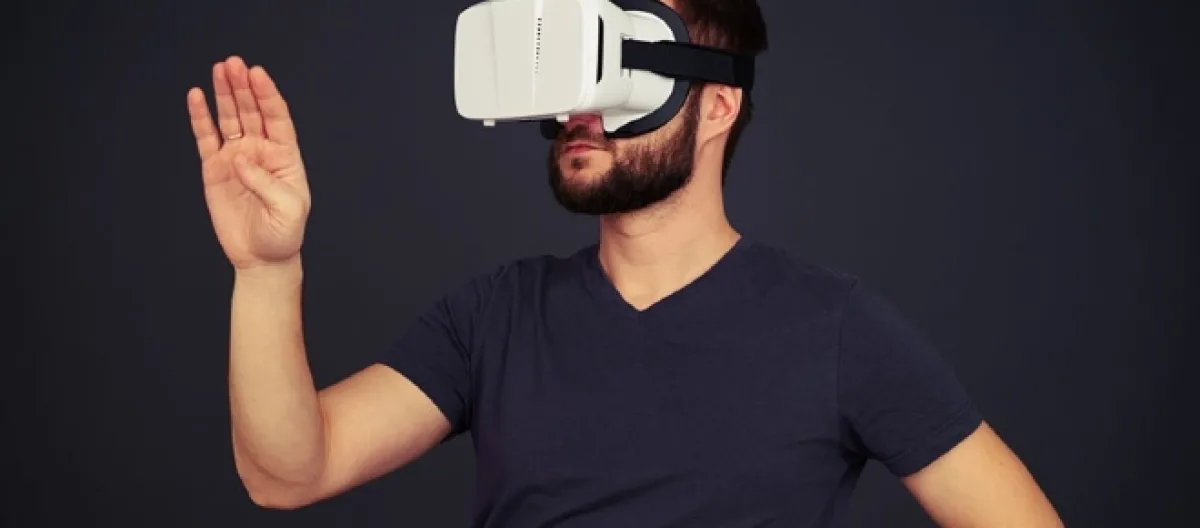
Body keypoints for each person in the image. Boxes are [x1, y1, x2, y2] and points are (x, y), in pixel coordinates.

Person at [186, 1, 1064, 526]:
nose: (582, 108)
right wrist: (265, 272)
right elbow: (287, 474)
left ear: (716, 105)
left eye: (616, 65)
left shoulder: (837, 331)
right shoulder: (494, 317)